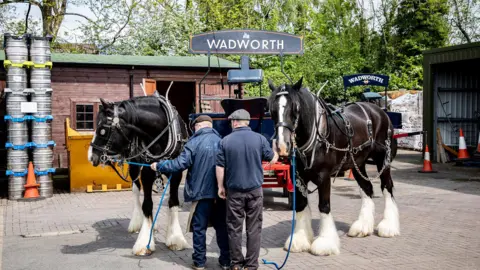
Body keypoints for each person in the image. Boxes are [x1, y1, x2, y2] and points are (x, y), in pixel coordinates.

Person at [151, 115, 230, 270]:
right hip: (220, 195)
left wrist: (159, 166)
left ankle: (199, 262)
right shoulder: (222, 141)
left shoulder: (193, 143)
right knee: (222, 227)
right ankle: (226, 261)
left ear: (198, 126)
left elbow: (179, 164)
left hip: (200, 194)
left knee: (199, 228)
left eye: (194, 127)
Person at [215, 109, 278, 270]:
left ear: (235, 122)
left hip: (234, 192)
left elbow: (220, 167)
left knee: (234, 228)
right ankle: (251, 265)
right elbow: (272, 159)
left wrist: (221, 187)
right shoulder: (260, 139)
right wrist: (276, 150)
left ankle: (236, 263)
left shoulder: (225, 141)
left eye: (231, 121)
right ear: (247, 122)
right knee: (254, 229)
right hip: (255, 191)